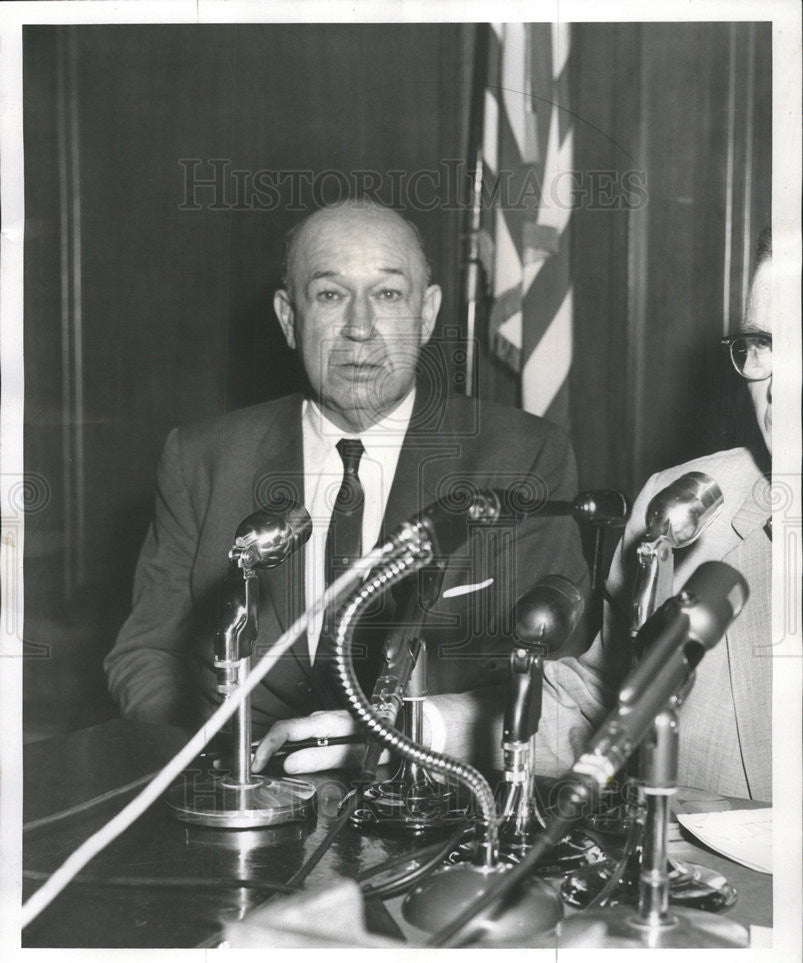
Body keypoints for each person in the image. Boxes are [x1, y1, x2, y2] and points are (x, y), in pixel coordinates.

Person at [104, 201, 593, 772]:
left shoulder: (521, 457)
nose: (359, 329)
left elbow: (557, 679)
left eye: (388, 295)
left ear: (428, 313)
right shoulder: (202, 458)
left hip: (439, 806)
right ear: (290, 318)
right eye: (330, 295)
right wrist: (219, 761)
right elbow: (147, 653)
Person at [529, 228, 773, 798]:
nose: (782, 387)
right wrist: (404, 729)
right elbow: (596, 704)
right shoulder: (687, 509)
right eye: (765, 343)